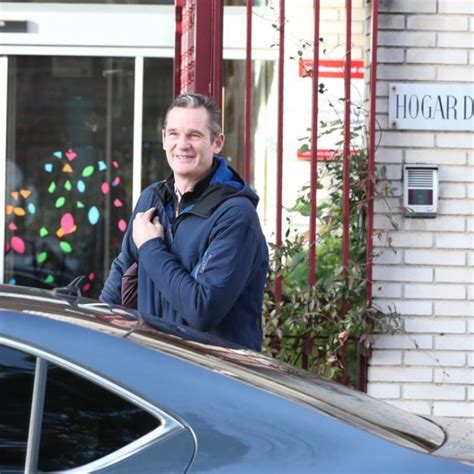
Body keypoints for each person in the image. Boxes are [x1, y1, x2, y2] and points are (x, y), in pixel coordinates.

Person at [100, 93, 268, 351]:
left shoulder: (235, 216)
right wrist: (97, 326)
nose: (182, 144)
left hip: (214, 376)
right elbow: (122, 271)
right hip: (156, 364)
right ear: (164, 139)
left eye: (194, 135)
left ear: (217, 142)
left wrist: (151, 247)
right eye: (174, 134)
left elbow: (202, 310)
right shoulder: (152, 198)